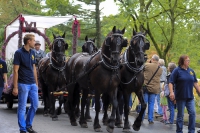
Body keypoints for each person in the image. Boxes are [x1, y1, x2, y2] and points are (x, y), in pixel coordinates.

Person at [12, 34, 39, 133]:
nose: (35, 42)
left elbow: (34, 68)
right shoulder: (18, 53)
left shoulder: (32, 52)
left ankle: (28, 125)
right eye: (34, 40)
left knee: (35, 105)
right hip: (23, 84)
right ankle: (23, 129)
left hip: (32, 84)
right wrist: (15, 87)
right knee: (22, 107)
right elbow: (15, 71)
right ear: (29, 41)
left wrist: (36, 83)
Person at [169, 55, 200, 133]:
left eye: (189, 60)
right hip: (180, 97)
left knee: (193, 113)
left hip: (190, 97)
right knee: (180, 116)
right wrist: (172, 92)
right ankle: (179, 131)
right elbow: (171, 82)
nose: (188, 62)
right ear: (182, 61)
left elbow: (195, 83)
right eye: (187, 60)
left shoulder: (191, 71)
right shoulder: (177, 71)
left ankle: (191, 131)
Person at [143, 54, 163, 124]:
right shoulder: (160, 69)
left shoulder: (146, 65)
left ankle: (141, 118)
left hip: (146, 87)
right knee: (151, 104)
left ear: (153, 59)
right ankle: (150, 119)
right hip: (154, 88)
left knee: (144, 103)